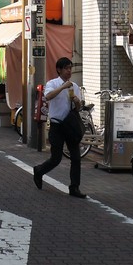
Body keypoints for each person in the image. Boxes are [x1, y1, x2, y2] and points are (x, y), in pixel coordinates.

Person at [32, 57, 87, 198]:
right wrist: (63, 87)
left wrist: (77, 101)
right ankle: (39, 171)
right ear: (59, 70)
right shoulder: (52, 83)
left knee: (76, 158)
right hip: (57, 125)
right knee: (56, 158)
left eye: (70, 68)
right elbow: (48, 96)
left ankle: (74, 187)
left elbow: (78, 108)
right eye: (66, 68)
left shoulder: (74, 86)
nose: (69, 71)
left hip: (70, 125)